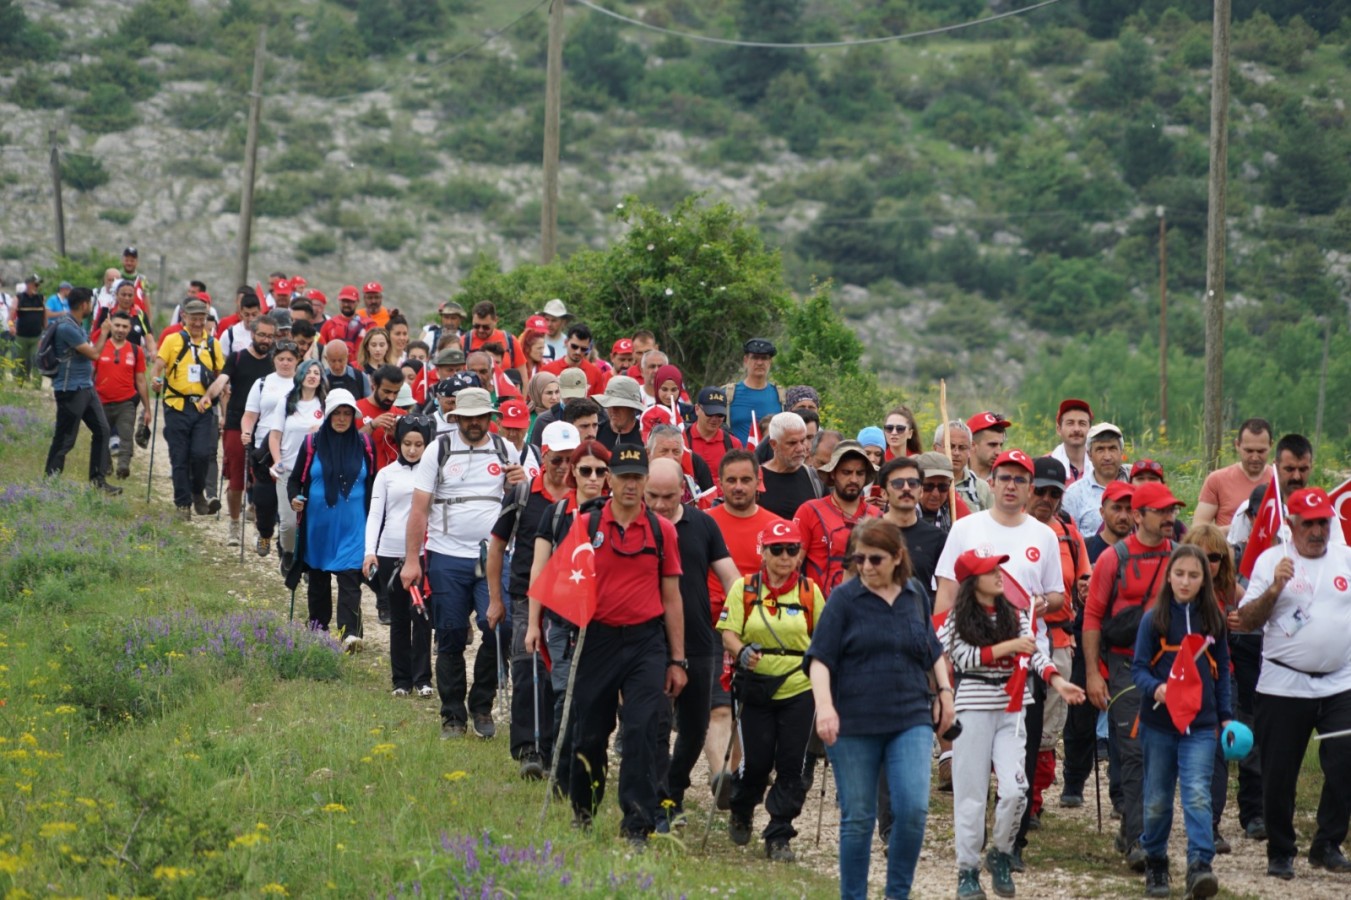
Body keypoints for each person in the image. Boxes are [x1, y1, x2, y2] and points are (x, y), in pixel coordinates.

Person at [806, 518, 953, 900]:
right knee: (858, 819)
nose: (866, 567)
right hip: (853, 722)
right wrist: (824, 707)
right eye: (859, 559)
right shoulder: (844, 599)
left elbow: (932, 647)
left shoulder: (916, 593)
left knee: (913, 810)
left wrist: (945, 693)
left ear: (897, 557)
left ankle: (897, 894)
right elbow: (820, 659)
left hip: (910, 717)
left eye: (875, 559)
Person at [547, 446, 686, 844]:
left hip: (646, 641)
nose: (630, 484)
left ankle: (636, 824)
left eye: (637, 477)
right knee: (589, 731)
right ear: (610, 479)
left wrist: (678, 659)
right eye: (622, 476)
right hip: (597, 639)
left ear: (645, 481)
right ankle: (583, 809)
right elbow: (562, 585)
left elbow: (672, 596)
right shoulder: (587, 526)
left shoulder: (663, 531)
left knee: (642, 729)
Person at [941, 550, 1085, 900]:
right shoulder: (955, 619)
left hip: (1012, 708)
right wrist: (1010, 646)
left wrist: (1056, 681)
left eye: (998, 568)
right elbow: (965, 658)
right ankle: (968, 870)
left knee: (1016, 788)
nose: (999, 574)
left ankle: (1002, 852)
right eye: (990, 571)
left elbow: (1034, 653)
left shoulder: (1017, 614)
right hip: (973, 709)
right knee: (972, 795)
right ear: (972, 581)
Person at [1236, 487, 1351, 881]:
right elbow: (1247, 622)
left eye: (1324, 522)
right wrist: (1275, 589)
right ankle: (1281, 850)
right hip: (1283, 684)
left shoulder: (1346, 559)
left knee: (1344, 763)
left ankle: (1327, 843)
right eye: (1309, 524)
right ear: (1291, 525)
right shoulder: (1272, 561)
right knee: (1279, 774)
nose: (1317, 530)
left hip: (1340, 683)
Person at [402, 388, 525, 740]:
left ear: (490, 418)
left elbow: (523, 501)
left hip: (493, 556)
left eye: (480, 417)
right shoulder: (437, 450)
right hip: (446, 555)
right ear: (455, 417)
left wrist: (522, 483)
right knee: (451, 633)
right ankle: (452, 715)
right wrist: (413, 560)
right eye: (467, 417)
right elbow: (419, 509)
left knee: (498, 630)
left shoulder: (506, 449)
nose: (474, 423)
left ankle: (482, 704)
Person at [1082, 481, 1183, 872]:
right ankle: (1142, 840)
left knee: (1165, 751)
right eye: (1162, 511)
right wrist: (1093, 673)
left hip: (1171, 666)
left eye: (1172, 510)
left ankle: (1134, 827)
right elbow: (1092, 617)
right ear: (1139, 516)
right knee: (1135, 751)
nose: (1170, 517)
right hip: (1125, 665)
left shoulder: (1180, 557)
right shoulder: (1113, 559)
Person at [716, 520, 823, 861]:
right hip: (755, 687)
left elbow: (823, 638)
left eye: (792, 549)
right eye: (776, 549)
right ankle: (742, 807)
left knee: (792, 764)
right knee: (758, 762)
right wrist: (741, 651)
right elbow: (728, 632)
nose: (784, 556)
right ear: (763, 553)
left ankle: (779, 833)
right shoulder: (745, 589)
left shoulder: (809, 592)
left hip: (798, 686)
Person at [1132, 545, 1231, 899]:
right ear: (1169, 576)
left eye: (1193, 575)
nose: (1185, 581)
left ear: (1205, 579)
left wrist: (1226, 718)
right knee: (1157, 797)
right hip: (1159, 725)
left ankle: (1200, 865)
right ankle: (1156, 861)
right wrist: (1156, 689)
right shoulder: (1152, 620)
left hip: (1202, 727)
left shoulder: (1213, 620)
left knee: (1197, 795)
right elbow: (1138, 669)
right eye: (1179, 574)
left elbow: (1222, 676)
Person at [488, 420, 582, 778]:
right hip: (527, 594)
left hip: (571, 599)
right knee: (527, 669)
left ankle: (556, 747)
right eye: (557, 459)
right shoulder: (523, 494)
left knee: (558, 672)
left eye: (570, 459)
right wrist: (495, 600)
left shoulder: (584, 498)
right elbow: (497, 547)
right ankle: (529, 747)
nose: (564, 467)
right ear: (543, 456)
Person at [524, 439, 611, 788]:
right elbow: (539, 569)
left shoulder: (616, 515)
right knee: (564, 693)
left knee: (596, 700)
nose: (592, 477)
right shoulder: (557, 513)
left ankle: (588, 763)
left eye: (600, 471)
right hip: (561, 619)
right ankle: (560, 774)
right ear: (573, 472)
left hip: (604, 624)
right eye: (585, 470)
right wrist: (533, 623)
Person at [285, 388, 375, 648]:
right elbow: (295, 481)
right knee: (318, 580)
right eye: (337, 413)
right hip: (318, 527)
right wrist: (294, 498)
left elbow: (372, 484)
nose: (342, 419)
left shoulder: (364, 445)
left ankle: (350, 635)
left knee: (350, 578)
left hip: (353, 525)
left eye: (347, 413)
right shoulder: (312, 443)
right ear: (328, 414)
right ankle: (318, 629)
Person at [1027, 456, 1090, 820]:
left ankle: (1032, 801)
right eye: (1040, 490)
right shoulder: (1009, 530)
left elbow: (1084, 580)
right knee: (1017, 721)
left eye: (1055, 493)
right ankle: (1014, 794)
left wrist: (1085, 588)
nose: (1047, 499)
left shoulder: (1069, 534)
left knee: (1050, 727)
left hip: (1059, 639)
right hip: (1017, 640)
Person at [1185, 524, 1250, 854]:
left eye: (1216, 557)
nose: (1210, 563)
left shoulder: (1231, 591)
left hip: (1222, 680)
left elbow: (1255, 614)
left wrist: (1245, 620)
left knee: (1218, 754)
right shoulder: (1177, 590)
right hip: (1180, 682)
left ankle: (1210, 823)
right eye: (1203, 556)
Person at [365, 415, 436, 698]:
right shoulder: (386, 474)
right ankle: (401, 681)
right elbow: (375, 515)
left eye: (419, 444)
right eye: (407, 443)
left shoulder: (432, 474)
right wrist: (369, 551)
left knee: (421, 617)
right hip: (389, 552)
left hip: (421, 553)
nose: (412, 450)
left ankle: (423, 680)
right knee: (398, 619)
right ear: (399, 442)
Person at [153, 299, 224, 518]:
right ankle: (182, 504)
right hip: (176, 405)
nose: (197, 322)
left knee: (202, 454)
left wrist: (221, 405)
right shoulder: (172, 340)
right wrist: (155, 380)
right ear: (184, 317)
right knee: (179, 456)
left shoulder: (213, 344)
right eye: (193, 318)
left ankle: (196, 493)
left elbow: (221, 375)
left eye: (201, 318)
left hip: (203, 407)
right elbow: (158, 365)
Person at [43, 288, 119, 493]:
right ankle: (50, 482)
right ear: (84, 304)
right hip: (70, 390)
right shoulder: (67, 328)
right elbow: (94, 353)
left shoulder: (76, 325)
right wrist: (104, 332)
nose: (92, 307)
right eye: (90, 303)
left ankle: (98, 481)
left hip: (85, 387)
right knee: (65, 438)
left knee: (102, 430)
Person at [210, 314, 276, 543]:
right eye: (262, 335)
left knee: (263, 482)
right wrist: (211, 394)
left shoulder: (276, 363)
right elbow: (222, 380)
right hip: (237, 424)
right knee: (236, 478)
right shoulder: (237, 358)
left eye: (270, 336)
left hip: (267, 429)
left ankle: (262, 527)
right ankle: (235, 524)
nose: (266, 340)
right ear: (252, 334)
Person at [266, 360, 327, 574]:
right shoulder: (287, 402)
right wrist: (277, 460)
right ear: (300, 375)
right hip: (288, 469)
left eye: (316, 372)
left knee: (313, 520)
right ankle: (288, 553)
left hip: (316, 472)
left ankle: (309, 562)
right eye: (308, 372)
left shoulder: (325, 404)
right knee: (289, 522)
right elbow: (275, 436)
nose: (312, 376)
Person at [796, 440, 878, 596]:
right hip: (817, 610)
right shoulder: (809, 511)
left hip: (864, 610)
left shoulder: (877, 517)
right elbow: (791, 565)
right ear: (833, 473)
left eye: (860, 473)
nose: (853, 479)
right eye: (846, 472)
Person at [240, 339, 299, 557]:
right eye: (281, 359)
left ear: (297, 361)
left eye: (290, 359)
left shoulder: (302, 385)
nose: (285, 363)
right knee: (264, 499)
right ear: (274, 360)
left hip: (292, 449)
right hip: (264, 450)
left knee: (291, 500)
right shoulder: (262, 383)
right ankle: (265, 533)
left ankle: (286, 546)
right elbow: (250, 415)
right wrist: (246, 431)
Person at [93, 311, 153, 481]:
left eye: (125, 326)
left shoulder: (136, 351)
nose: (120, 329)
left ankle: (123, 467)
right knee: (101, 435)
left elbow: (141, 380)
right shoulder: (100, 346)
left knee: (126, 434)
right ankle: (106, 466)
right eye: (117, 325)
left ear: (129, 329)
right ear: (110, 325)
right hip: (101, 401)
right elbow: (91, 373)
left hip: (126, 402)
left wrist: (147, 409)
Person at [877, 456, 947, 596]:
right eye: (898, 483)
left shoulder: (937, 537)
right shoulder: (866, 534)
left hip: (920, 616)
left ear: (920, 491)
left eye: (913, 483)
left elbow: (945, 593)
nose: (906, 488)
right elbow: (850, 589)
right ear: (884, 493)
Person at [1194, 418, 1275, 528]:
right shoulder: (1217, 480)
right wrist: (1235, 530)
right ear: (1237, 445)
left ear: (1271, 445)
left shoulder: (1280, 481)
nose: (1255, 457)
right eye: (1249, 451)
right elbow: (1198, 530)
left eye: (1261, 451)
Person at [1062, 422, 1130, 537]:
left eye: (1112, 448)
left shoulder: (1134, 483)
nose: (1107, 457)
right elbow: (1071, 541)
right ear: (1089, 455)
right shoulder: (1075, 494)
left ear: (1121, 453)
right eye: (1100, 449)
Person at [758, 413, 823, 521]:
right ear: (774, 444)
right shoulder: (755, 479)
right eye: (792, 443)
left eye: (803, 441)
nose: (800, 448)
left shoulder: (815, 479)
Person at [724, 338, 784, 443]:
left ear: (770, 361)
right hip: (738, 457)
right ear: (746, 360)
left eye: (764, 358)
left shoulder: (781, 396)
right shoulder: (728, 394)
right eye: (755, 358)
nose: (759, 363)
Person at [355, 365, 407, 472]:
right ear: (374, 385)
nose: (391, 397)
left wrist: (397, 436)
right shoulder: (355, 410)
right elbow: (348, 444)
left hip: (393, 480)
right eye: (387, 391)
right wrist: (372, 425)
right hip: (364, 479)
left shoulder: (402, 414)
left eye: (396, 392)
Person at [687, 387, 742, 483]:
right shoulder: (682, 440)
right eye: (710, 413)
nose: (715, 419)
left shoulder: (733, 444)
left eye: (720, 415)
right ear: (697, 409)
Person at [934, 420, 991, 513]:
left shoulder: (981, 488)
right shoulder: (923, 482)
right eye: (951, 446)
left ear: (969, 451)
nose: (956, 453)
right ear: (936, 448)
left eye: (962, 447)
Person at [540, 323, 606, 396]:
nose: (578, 352)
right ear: (566, 342)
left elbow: (598, 404)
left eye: (583, 349)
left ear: (588, 348)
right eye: (574, 346)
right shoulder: (547, 370)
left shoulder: (595, 373)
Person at [913, 450, 970, 533]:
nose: (936, 494)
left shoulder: (956, 513)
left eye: (943, 487)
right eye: (928, 486)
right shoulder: (900, 513)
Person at [12, 274, 47, 386]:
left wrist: (45, 328)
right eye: (35, 284)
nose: (37, 286)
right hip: (21, 336)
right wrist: (11, 325)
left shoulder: (41, 298)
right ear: (29, 284)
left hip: (36, 336)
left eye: (38, 284)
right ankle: (19, 383)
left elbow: (44, 314)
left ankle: (37, 385)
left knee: (36, 359)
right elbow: (12, 313)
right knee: (21, 360)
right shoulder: (19, 298)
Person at [1050, 399, 1094, 484]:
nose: (1076, 429)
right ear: (1059, 429)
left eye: (1082, 423)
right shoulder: (1045, 466)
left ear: (1090, 430)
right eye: (1070, 423)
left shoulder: (1099, 467)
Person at [595, 376, 645, 449]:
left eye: (619, 405)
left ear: (633, 408)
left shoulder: (644, 436)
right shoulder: (597, 432)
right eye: (609, 404)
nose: (613, 409)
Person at [966, 411, 1010, 484]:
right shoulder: (953, 477)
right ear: (972, 445)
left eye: (1001, 445)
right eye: (992, 445)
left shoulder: (1006, 480)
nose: (999, 452)